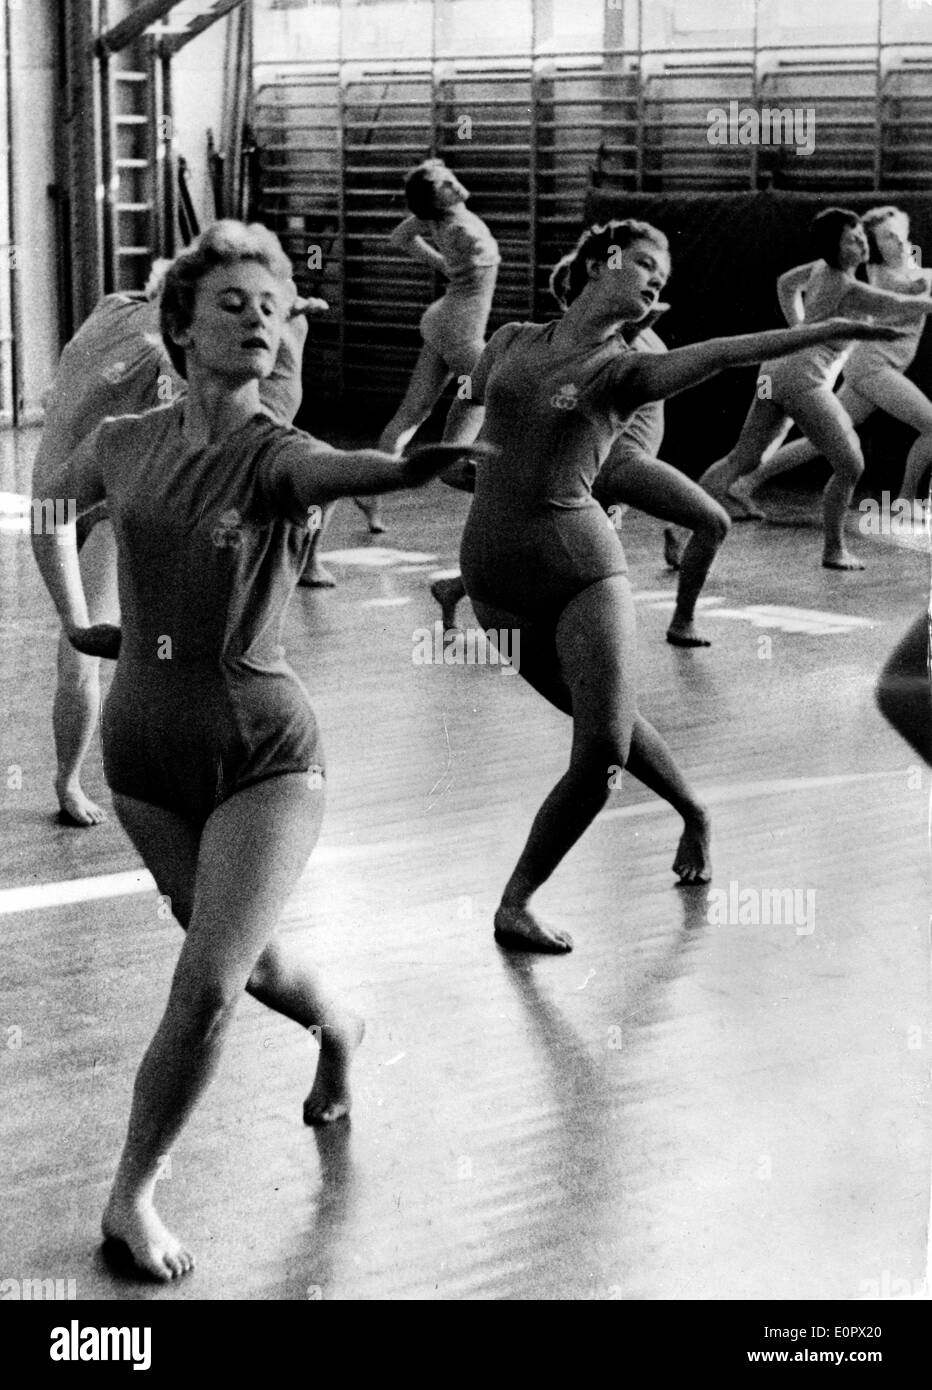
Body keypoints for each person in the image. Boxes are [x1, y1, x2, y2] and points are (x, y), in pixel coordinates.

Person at [30, 220, 488, 1281]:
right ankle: (339, 1028)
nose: (258, 322)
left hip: (263, 757)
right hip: (142, 762)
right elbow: (49, 510)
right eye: (231, 304)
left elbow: (351, 469)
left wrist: (421, 460)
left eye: (274, 309)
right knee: (241, 961)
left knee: (205, 987)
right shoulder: (125, 444)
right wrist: (75, 619)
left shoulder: (274, 453)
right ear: (180, 328)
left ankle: (132, 1194)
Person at [440, 218, 903, 953]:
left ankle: (516, 902)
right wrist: (446, 451)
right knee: (610, 729)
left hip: (578, 570)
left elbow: (722, 354)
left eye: (665, 274)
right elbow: (464, 402)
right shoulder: (511, 340)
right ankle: (695, 811)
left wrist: (830, 326)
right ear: (600, 262)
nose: (658, 279)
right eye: (646, 263)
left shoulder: (624, 370)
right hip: (491, 570)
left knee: (597, 758)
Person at [32, 260, 326, 826]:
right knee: (98, 651)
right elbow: (244, 422)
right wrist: (284, 332)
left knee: (80, 650)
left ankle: (72, 779)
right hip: (97, 500)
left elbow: (60, 393)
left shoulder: (110, 309)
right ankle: (88, 781)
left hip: (60, 497)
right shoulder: (168, 359)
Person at [432, 304, 732, 647]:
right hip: (619, 465)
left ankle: (455, 588)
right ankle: (683, 621)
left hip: (607, 469)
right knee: (713, 522)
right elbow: (480, 397)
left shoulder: (620, 336)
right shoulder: (604, 342)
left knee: (548, 559)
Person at [697, 208, 932, 569]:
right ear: (837, 249)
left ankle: (681, 523)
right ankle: (837, 548)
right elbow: (898, 305)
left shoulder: (823, 270)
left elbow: (786, 284)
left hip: (774, 370)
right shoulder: (855, 284)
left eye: (860, 236)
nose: (861, 244)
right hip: (807, 377)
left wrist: (801, 329)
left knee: (744, 457)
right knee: (851, 463)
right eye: (854, 240)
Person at [359, 158, 500, 534]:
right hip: (457, 329)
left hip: (446, 320)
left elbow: (400, 237)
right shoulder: (457, 228)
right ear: (438, 201)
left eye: (451, 178)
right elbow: (423, 238)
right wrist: (449, 258)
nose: (455, 184)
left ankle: (369, 491)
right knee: (498, 390)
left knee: (413, 413)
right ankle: (457, 462)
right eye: (445, 185)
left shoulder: (441, 220)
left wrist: (443, 264)